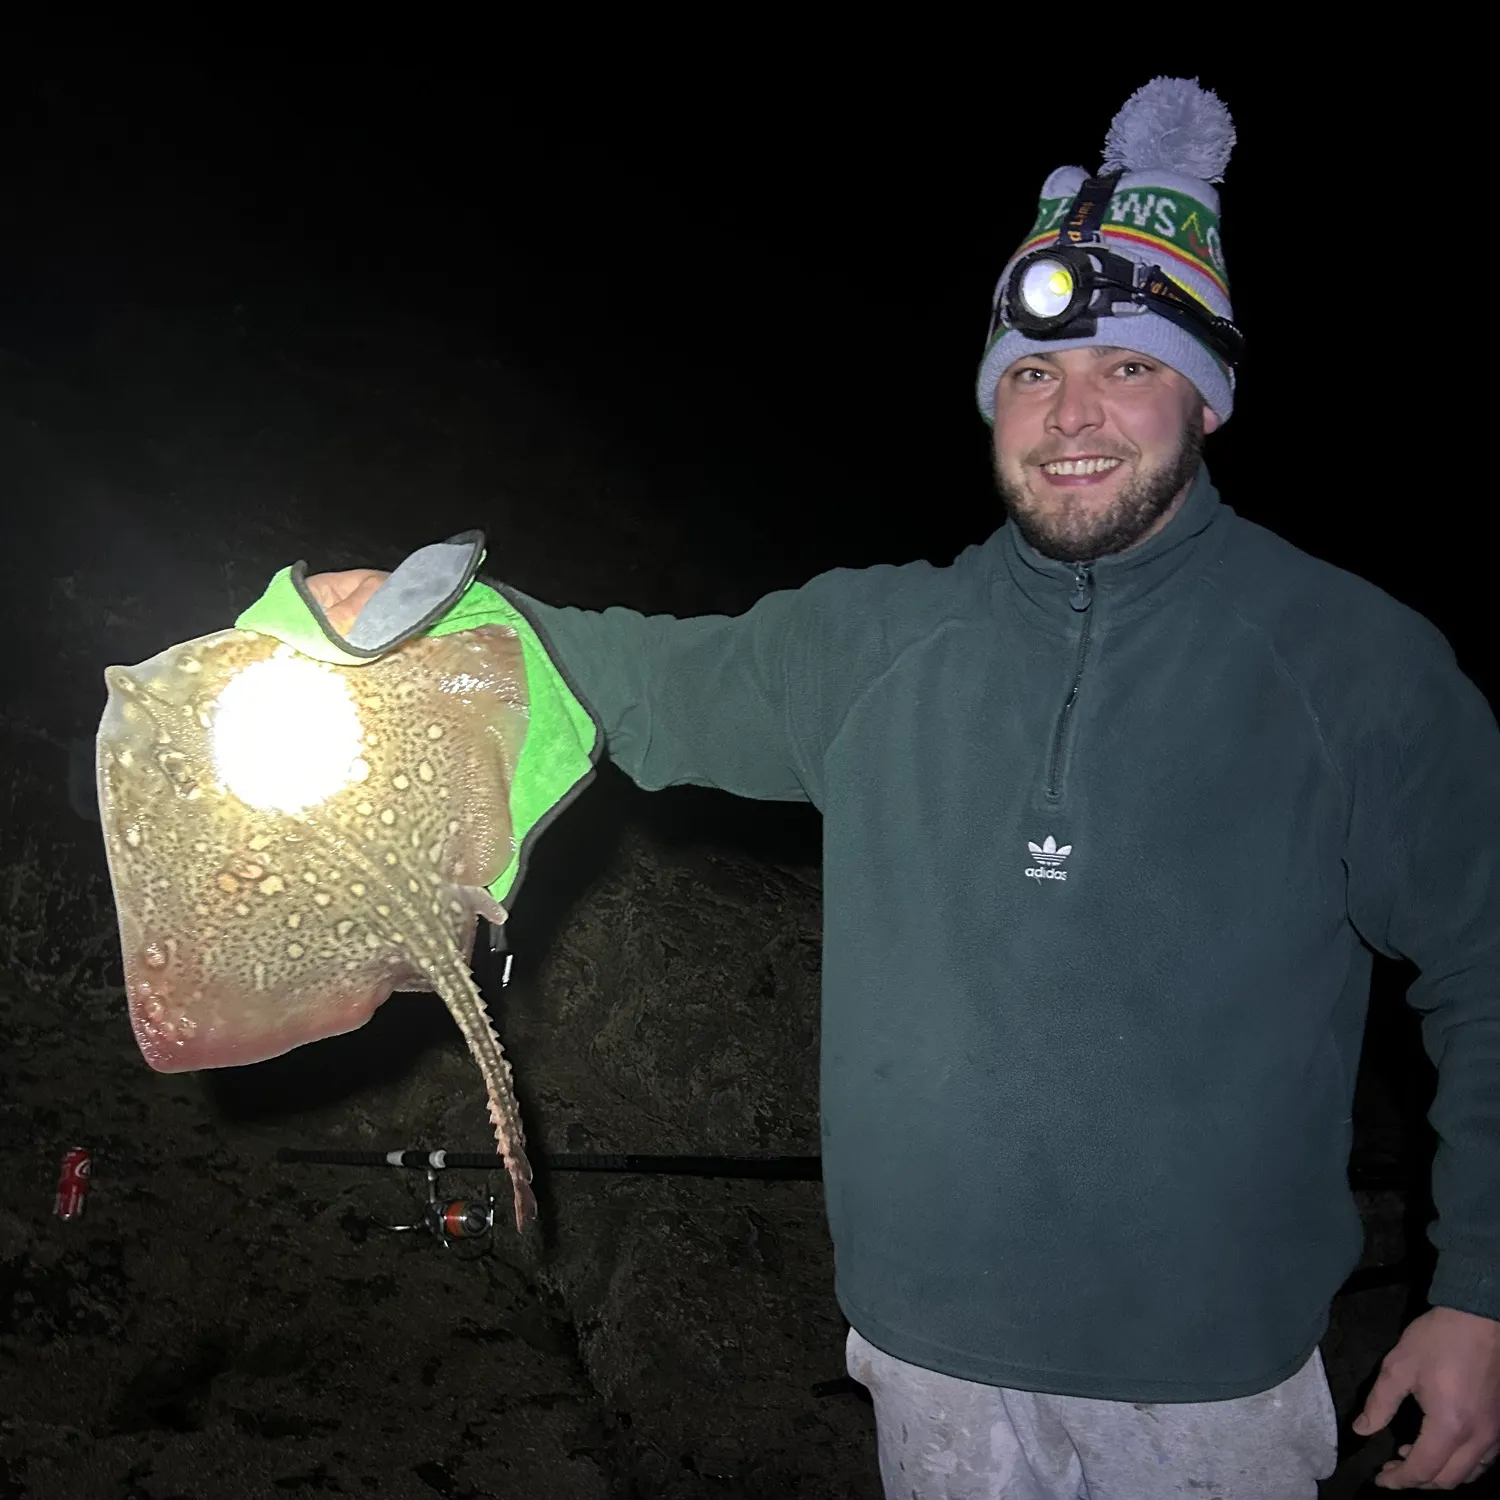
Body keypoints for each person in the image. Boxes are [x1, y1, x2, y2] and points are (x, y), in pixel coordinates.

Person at [306, 79, 1500, 1497]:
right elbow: (625, 680)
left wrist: (1479, 1293)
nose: (1071, 414)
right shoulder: (877, 642)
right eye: (1032, 372)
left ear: (1207, 394)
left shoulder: (1356, 667)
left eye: (1126, 367)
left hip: (1212, 1382)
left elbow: (1485, 978)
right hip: (928, 1355)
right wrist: (435, 618)